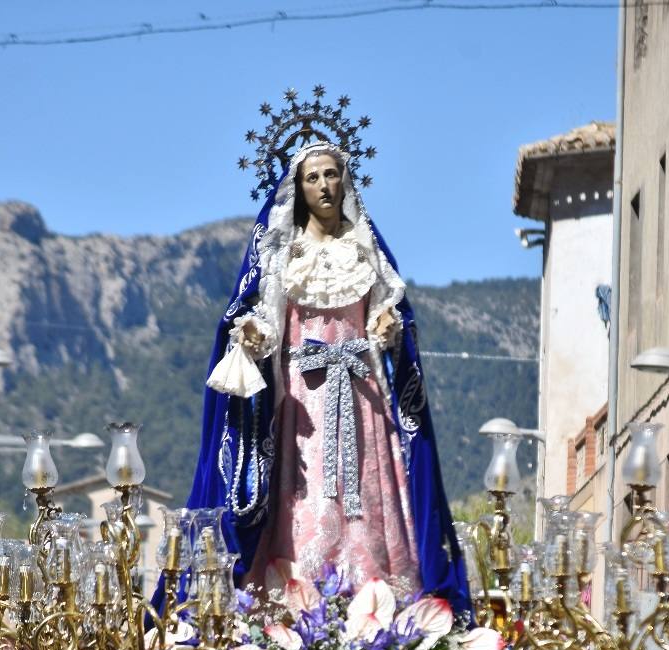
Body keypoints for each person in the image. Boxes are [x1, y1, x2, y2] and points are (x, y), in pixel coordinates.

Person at [194, 91, 469, 610]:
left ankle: (377, 604)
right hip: (302, 408)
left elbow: (391, 314)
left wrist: (389, 328)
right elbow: (263, 321)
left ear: (346, 180)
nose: (323, 185)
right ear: (297, 188)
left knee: (366, 499)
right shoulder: (281, 254)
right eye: (312, 177)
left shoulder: (366, 250)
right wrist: (252, 335)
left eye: (331, 174)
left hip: (363, 400)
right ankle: (295, 604)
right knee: (304, 502)